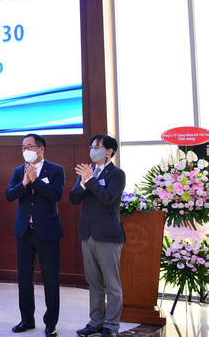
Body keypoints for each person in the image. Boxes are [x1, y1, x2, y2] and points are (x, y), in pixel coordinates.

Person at [5, 133, 64, 337]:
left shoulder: (56, 170)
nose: (26, 150)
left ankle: (51, 323)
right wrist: (24, 183)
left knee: (50, 278)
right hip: (24, 231)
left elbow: (55, 195)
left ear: (41, 149)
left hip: (48, 233)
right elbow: (9, 195)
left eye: (30, 146)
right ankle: (27, 320)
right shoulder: (18, 170)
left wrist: (36, 181)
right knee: (24, 279)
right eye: (23, 147)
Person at [70, 135, 126, 337]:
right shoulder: (87, 172)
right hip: (88, 234)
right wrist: (83, 183)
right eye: (91, 146)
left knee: (112, 284)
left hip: (108, 236)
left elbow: (108, 198)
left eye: (97, 147)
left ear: (109, 151)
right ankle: (96, 323)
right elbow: (74, 198)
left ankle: (111, 326)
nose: (92, 150)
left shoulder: (117, 174)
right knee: (93, 283)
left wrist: (91, 180)